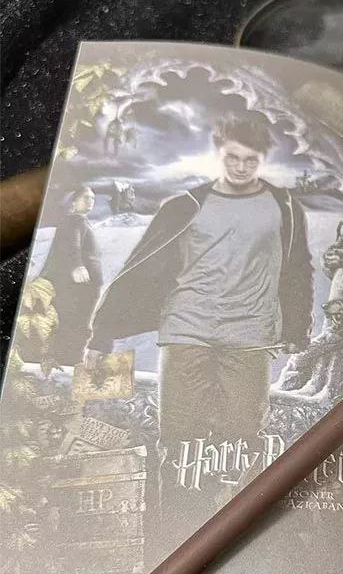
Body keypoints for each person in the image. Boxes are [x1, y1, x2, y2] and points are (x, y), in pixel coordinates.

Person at [83, 111, 313, 546]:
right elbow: (137, 268)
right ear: (219, 152)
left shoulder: (283, 206)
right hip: (187, 328)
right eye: (233, 157)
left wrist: (298, 327)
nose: (241, 166)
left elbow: (298, 267)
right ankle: (173, 536)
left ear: (262, 159)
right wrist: (102, 334)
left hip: (251, 335)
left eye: (250, 159)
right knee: (179, 438)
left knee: (242, 439)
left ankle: (234, 539)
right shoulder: (185, 205)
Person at [39, 186, 102, 365]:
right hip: (78, 283)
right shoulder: (72, 221)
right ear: (74, 201)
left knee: (80, 321)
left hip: (87, 283)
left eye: (92, 198)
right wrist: (77, 266)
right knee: (73, 321)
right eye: (86, 197)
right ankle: (68, 361)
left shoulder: (81, 221)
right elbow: (71, 245)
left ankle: (71, 360)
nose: (90, 201)